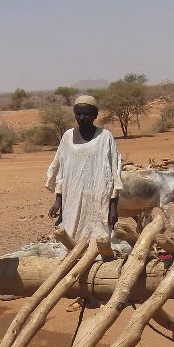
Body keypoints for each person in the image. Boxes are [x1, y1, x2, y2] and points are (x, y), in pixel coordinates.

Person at [46, 95, 122, 243]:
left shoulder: (105, 137)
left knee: (99, 238)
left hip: (98, 198)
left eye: (86, 113)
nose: (82, 117)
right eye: (78, 114)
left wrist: (113, 206)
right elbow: (61, 170)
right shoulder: (67, 137)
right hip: (72, 198)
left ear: (95, 115)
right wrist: (58, 201)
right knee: (70, 235)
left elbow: (114, 173)